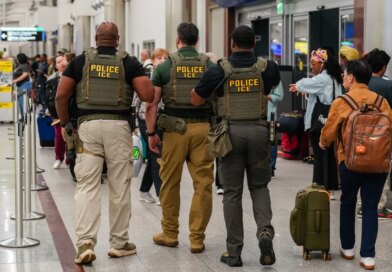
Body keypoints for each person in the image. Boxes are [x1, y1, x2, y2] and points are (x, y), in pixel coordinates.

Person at [56, 21, 154, 264]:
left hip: (88, 128)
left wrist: (67, 122)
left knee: (87, 185)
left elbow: (61, 95)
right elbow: (148, 95)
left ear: (97, 38)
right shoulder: (128, 61)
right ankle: (119, 243)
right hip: (118, 127)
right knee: (119, 184)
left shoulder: (80, 61)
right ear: (117, 39)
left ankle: (85, 244)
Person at [191, 25, 280, 267]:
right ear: (254, 43)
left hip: (229, 133)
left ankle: (234, 252)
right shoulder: (267, 67)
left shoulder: (219, 69)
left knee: (232, 192)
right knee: (260, 185)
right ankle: (264, 232)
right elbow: (271, 86)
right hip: (260, 131)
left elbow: (197, 99)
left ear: (232, 43)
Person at [145, 22, 214, 254]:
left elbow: (152, 105)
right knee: (203, 184)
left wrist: (151, 133)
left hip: (174, 131)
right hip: (203, 129)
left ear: (178, 41)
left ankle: (170, 233)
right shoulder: (209, 65)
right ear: (197, 41)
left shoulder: (165, 67)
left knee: (170, 181)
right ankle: (197, 238)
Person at [319, 60, 392, 271]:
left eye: (344, 74)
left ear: (351, 77)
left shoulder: (342, 101)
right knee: (370, 206)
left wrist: (323, 144)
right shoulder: (382, 102)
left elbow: (329, 133)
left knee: (348, 201)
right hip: (379, 164)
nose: (343, 77)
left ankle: (348, 248)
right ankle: (368, 257)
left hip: (350, 162)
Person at [289, 48, 342, 199]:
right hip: (331, 122)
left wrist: (298, 86)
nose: (311, 66)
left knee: (319, 155)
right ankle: (331, 186)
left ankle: (320, 187)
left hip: (319, 123)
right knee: (330, 155)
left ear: (323, 64)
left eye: (313, 63)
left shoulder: (322, 78)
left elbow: (305, 83)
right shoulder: (334, 78)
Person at [357, 48, 392, 219]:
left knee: (360, 167)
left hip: (358, 135)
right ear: (384, 67)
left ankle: (361, 205)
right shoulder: (388, 86)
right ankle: (377, 206)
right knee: (381, 168)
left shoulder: (360, 85)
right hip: (381, 136)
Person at [136, 48, 169, 205]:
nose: (162, 61)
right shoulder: (147, 76)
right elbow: (136, 100)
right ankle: (161, 194)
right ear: (152, 60)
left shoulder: (167, 77)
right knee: (156, 155)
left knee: (154, 155)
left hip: (160, 119)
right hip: (145, 119)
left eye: (165, 58)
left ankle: (143, 190)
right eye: (159, 58)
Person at [268, 81, 284, 178]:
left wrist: (267, 97)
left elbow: (279, 96)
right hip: (256, 117)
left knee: (271, 143)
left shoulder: (275, 79)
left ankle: (271, 168)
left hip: (270, 118)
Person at [12, 53, 32, 118]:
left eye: (17, 58)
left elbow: (25, 74)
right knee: (21, 103)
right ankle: (23, 117)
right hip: (20, 86)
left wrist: (16, 80)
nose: (16, 59)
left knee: (23, 103)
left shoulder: (25, 65)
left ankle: (26, 118)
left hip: (24, 85)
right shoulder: (20, 65)